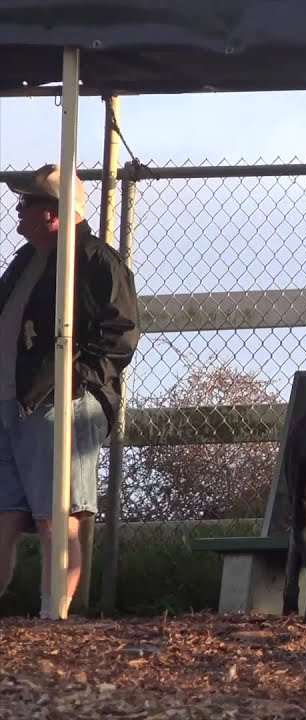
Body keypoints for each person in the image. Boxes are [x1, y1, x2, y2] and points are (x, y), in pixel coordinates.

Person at [0, 163, 140, 618]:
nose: (17, 211)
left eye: (27, 203)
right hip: (10, 400)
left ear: (54, 212)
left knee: (57, 515)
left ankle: (52, 614)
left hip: (58, 403)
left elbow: (119, 332)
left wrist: (77, 384)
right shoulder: (26, 260)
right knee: (5, 512)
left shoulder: (95, 259)